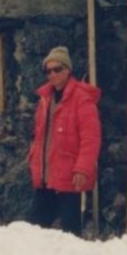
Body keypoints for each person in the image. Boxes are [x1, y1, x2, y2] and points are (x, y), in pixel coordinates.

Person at [26, 46, 100, 235]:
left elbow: (90, 139)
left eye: (57, 69)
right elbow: (41, 137)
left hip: (70, 177)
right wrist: (33, 160)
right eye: (48, 70)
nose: (52, 74)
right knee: (34, 230)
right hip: (46, 175)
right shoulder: (45, 99)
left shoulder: (82, 99)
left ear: (67, 70)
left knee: (70, 233)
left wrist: (82, 169)